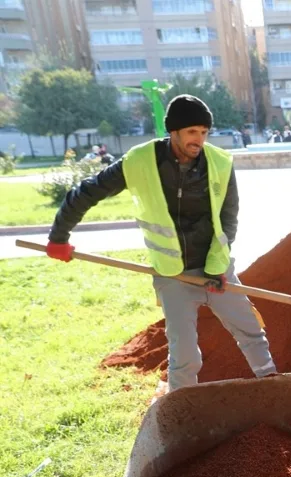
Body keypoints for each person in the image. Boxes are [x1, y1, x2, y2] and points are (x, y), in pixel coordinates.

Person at [45, 94, 277, 393]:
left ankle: (274, 387)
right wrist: (59, 237)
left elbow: (228, 218)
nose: (199, 140)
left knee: (251, 331)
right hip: (172, 274)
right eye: (192, 132)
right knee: (184, 356)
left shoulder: (219, 162)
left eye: (204, 132)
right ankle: (179, 412)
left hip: (216, 269)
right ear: (174, 131)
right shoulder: (140, 162)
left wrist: (216, 267)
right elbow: (88, 192)